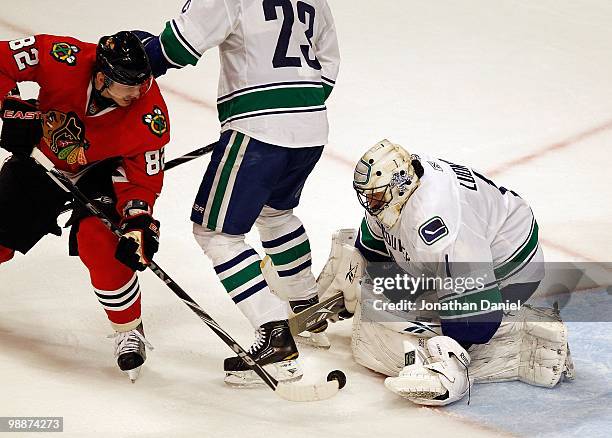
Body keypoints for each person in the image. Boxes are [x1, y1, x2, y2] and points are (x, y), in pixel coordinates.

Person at [136, 0, 340, 385]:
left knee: (215, 233)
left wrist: (129, 54)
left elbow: (178, 46)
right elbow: (327, 60)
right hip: (312, 124)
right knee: (275, 212)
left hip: (259, 130)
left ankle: (275, 338)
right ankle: (308, 308)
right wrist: (293, 108)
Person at [315, 139, 574, 405]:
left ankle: (518, 340)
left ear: (400, 187)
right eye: (368, 195)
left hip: (510, 268)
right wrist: (353, 276)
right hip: (469, 253)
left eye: (376, 196)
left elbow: (475, 322)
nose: (371, 202)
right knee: (366, 286)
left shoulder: (439, 222)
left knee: (405, 341)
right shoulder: (394, 195)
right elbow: (372, 249)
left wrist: (449, 349)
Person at [0, 31, 170, 381]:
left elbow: (140, 180)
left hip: (102, 171)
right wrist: (10, 105)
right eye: (129, 86)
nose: (138, 93)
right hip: (42, 157)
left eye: (143, 83)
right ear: (102, 76)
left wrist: (137, 221)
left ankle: (128, 329)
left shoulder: (150, 116)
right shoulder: (60, 56)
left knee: (101, 241)